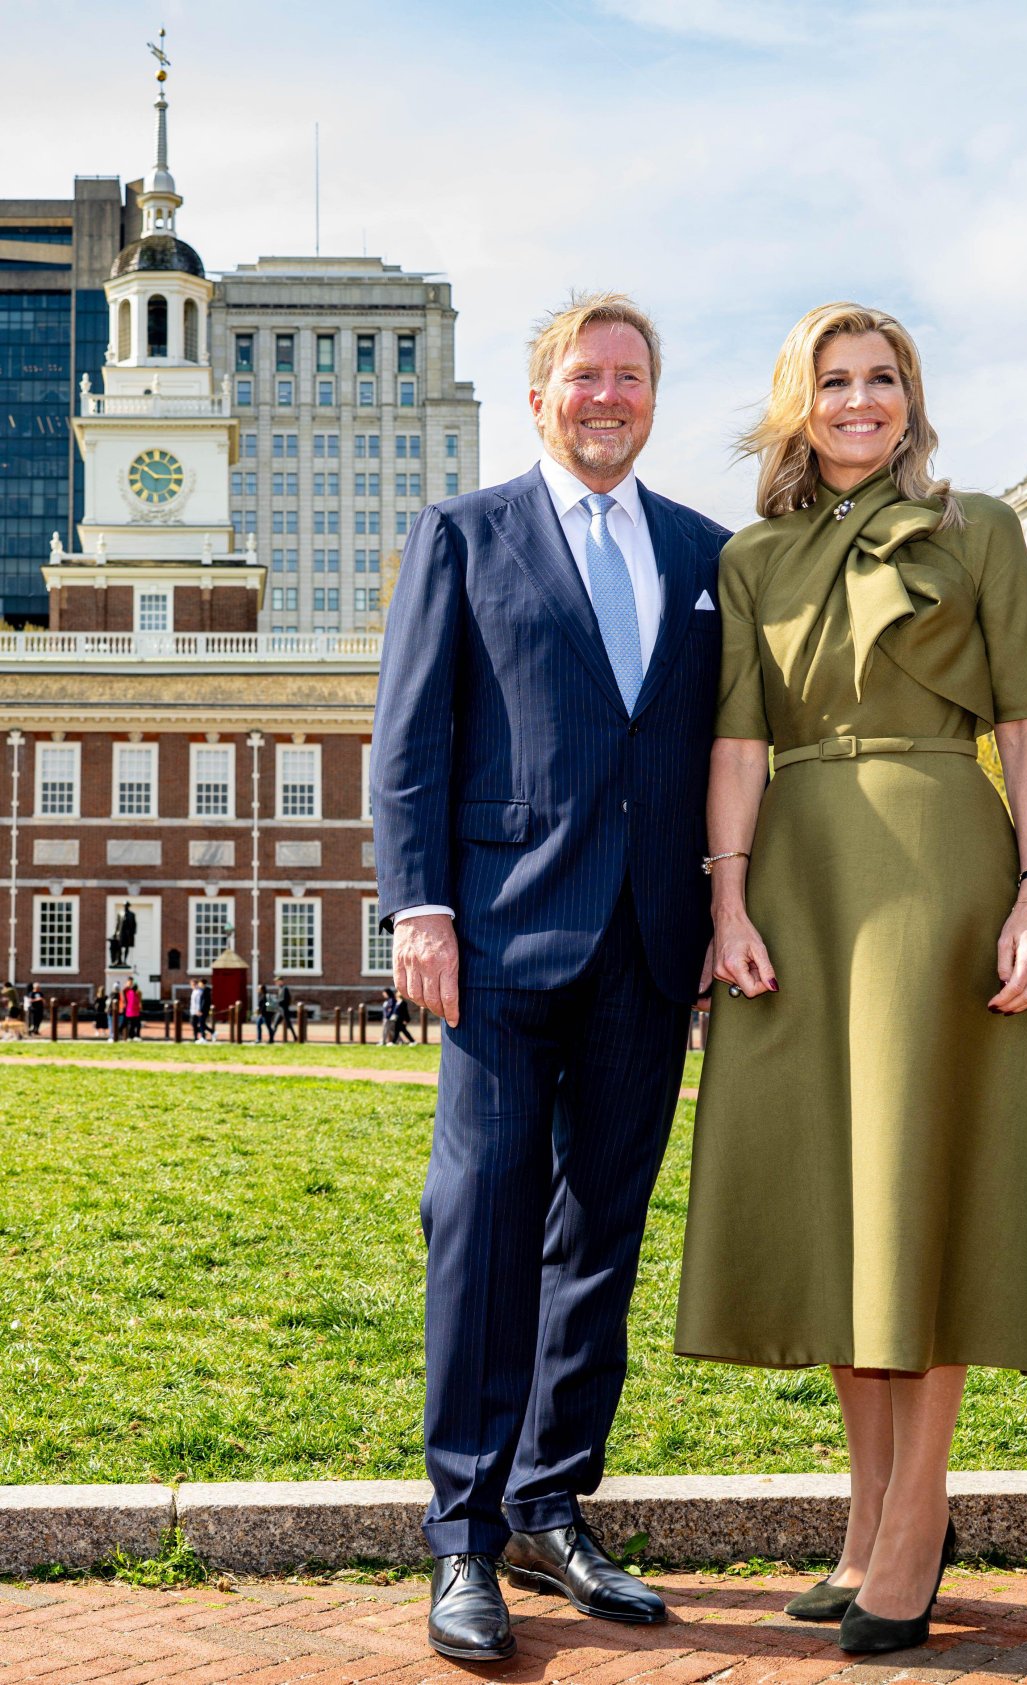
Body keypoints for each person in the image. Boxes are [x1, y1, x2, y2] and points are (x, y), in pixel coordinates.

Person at [674, 302, 1027, 1658]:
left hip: (942, 870)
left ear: (911, 399)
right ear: (799, 402)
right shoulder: (751, 557)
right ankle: (871, 1512)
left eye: (884, 378)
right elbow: (737, 747)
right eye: (835, 381)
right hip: (803, 883)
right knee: (841, 1193)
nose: (861, 400)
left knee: (921, 1187)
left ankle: (915, 1512)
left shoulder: (975, 528)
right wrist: (728, 900)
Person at [371, 291, 726, 1665]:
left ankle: (550, 1502)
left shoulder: (704, 551)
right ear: (539, 398)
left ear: (652, 397)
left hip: (650, 945)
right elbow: (411, 739)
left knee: (600, 1238)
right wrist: (421, 907)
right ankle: (464, 1535)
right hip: (501, 942)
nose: (608, 396)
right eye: (585, 375)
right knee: (482, 1227)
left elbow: (717, 751)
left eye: (631, 376)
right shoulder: (464, 534)